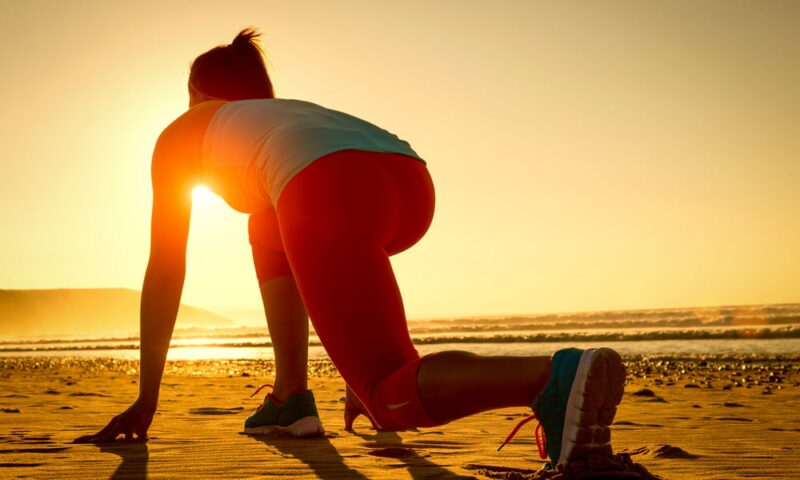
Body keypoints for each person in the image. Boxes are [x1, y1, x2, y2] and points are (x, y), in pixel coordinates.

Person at [74, 29, 627, 471]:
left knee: (388, 391)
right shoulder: (283, 115)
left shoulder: (183, 131)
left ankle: (550, 376)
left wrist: (147, 398)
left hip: (327, 186)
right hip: (408, 183)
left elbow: (167, 267)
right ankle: (291, 396)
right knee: (267, 223)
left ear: (196, 92)